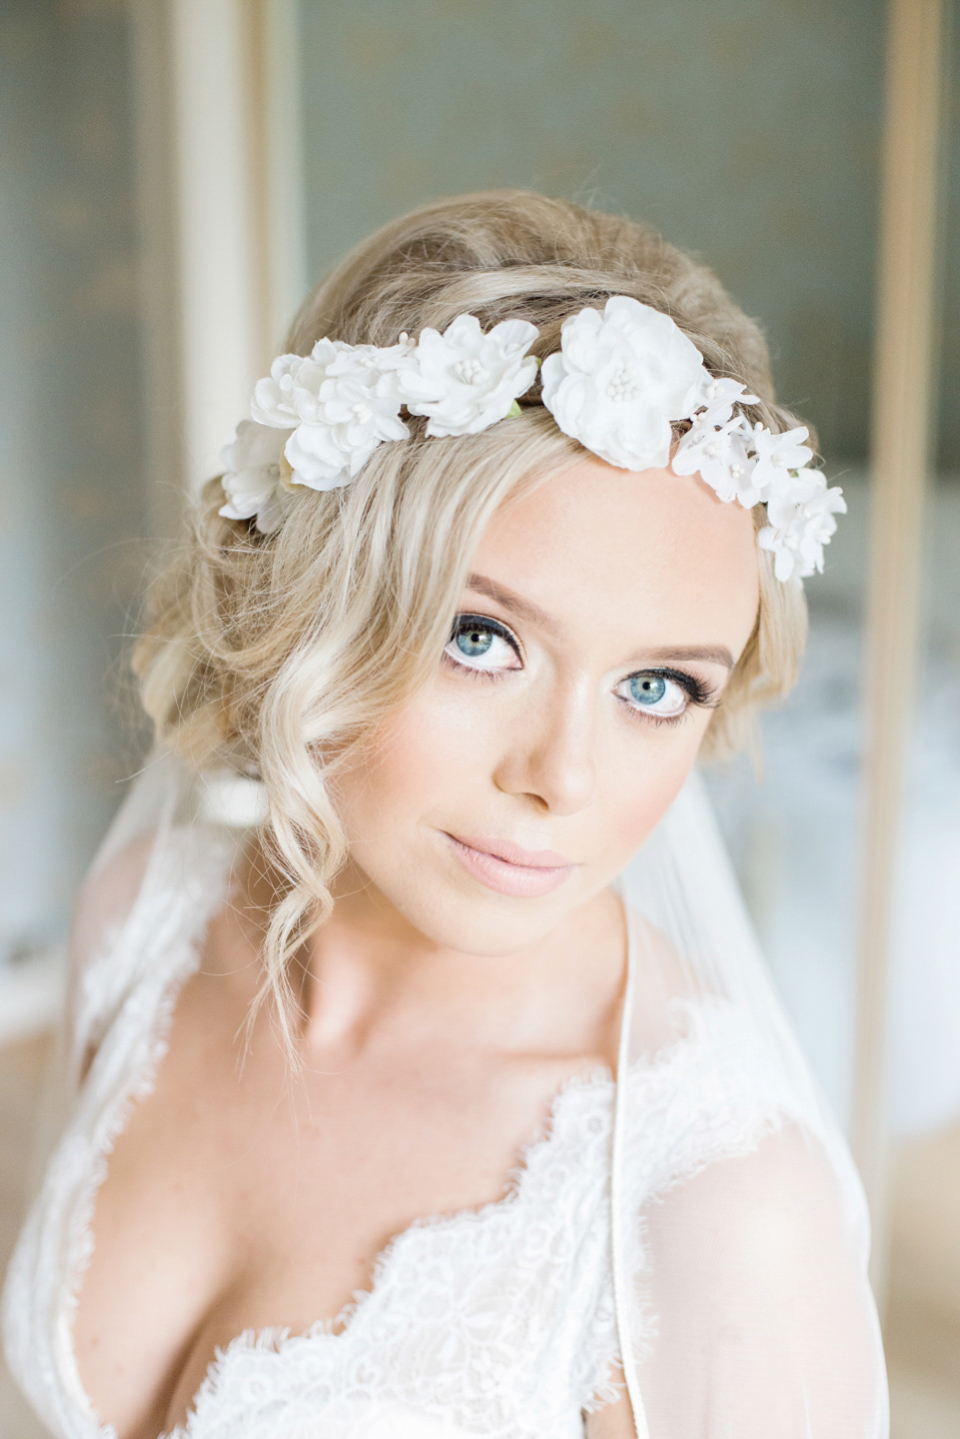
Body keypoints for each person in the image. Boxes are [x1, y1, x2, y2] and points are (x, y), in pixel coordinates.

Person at [2, 191, 886, 1439]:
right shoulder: (149, 916)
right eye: (484, 637)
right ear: (318, 598)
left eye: (657, 685)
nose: (561, 777)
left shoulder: (716, 1196)